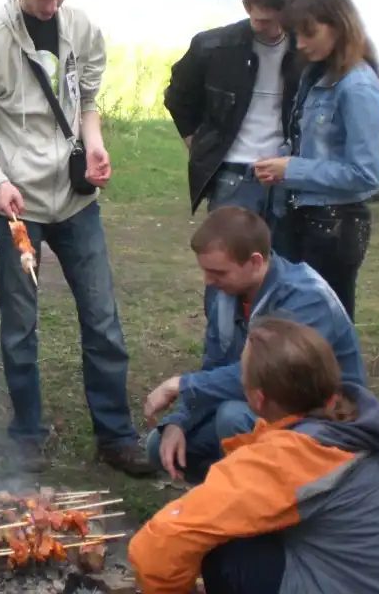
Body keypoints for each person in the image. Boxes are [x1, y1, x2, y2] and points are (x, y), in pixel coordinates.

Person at [0, 0, 150, 475]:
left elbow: (86, 102)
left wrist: (95, 147)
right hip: (17, 205)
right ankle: (27, 433)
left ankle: (116, 435)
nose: (51, 6)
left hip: (74, 201)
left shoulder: (82, 29)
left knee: (103, 319)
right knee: (20, 327)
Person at [129, 317, 379, 594]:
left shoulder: (293, 455)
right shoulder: (352, 421)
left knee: (224, 549)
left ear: (257, 399)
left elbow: (157, 545)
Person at [143, 206, 367, 484]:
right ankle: (231, 487)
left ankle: (271, 496)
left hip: (323, 422)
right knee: (160, 445)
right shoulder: (227, 292)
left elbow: (272, 379)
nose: (208, 281)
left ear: (255, 261)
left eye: (217, 272)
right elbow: (214, 368)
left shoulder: (306, 298)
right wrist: (179, 420)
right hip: (264, 405)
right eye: (205, 270)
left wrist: (182, 385)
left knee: (232, 418)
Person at [254, 0, 379, 321]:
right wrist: (278, 163)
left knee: (325, 328)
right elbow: (310, 143)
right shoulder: (315, 74)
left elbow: (367, 174)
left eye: (309, 33)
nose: (300, 44)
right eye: (296, 34)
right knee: (297, 325)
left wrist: (292, 169)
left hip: (335, 228)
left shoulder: (358, 86)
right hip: (300, 219)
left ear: (338, 25)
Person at [164, 0, 302, 226]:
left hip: (289, 175)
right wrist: (199, 145)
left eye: (280, 21)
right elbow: (178, 98)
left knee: (284, 254)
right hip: (233, 176)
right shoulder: (213, 48)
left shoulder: (306, 48)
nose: (274, 29)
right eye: (263, 22)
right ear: (246, 7)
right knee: (230, 252)